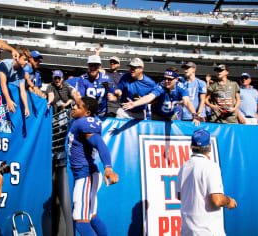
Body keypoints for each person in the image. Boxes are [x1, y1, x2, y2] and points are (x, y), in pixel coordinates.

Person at [68, 96, 119, 236]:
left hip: (86, 176)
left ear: (87, 113)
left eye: (78, 106)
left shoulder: (84, 122)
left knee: (81, 221)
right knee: (92, 217)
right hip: (88, 175)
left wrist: (108, 167)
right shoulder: (80, 121)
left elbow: (99, 143)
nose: (73, 107)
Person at [177, 129, 237, 236]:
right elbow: (217, 200)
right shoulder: (210, 166)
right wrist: (229, 201)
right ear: (209, 147)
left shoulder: (184, 167)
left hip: (187, 230)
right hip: (207, 230)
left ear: (191, 146)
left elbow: (180, 195)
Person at [122, 67, 201, 125]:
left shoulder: (181, 87)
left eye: (169, 79)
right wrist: (134, 104)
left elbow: (187, 101)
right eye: (165, 78)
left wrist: (194, 114)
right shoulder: (160, 86)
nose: (166, 81)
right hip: (157, 114)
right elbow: (150, 97)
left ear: (176, 79)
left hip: (172, 114)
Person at [0, 46, 31, 118]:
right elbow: (3, 83)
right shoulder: (5, 64)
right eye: (25, 59)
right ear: (16, 57)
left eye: (28, 60)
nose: (27, 62)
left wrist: (26, 107)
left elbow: (23, 90)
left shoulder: (21, 71)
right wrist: (8, 100)